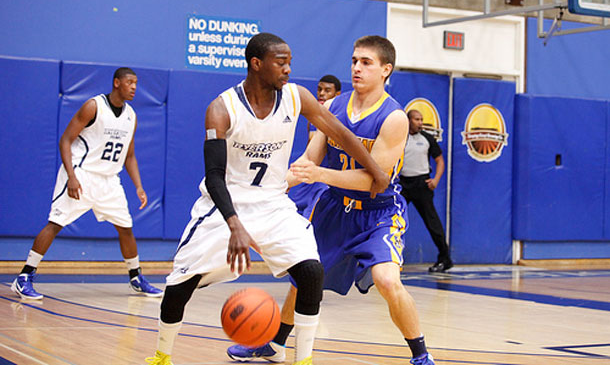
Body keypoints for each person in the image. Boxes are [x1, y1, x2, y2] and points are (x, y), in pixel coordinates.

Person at [145, 33, 389, 365]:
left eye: (290, 62)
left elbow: (339, 132)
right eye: (281, 62)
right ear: (256, 64)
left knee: (311, 273)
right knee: (180, 286)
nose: (288, 69)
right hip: (224, 206)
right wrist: (235, 226)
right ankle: (161, 355)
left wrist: (376, 171)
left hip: (274, 203)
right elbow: (215, 176)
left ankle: (302, 359)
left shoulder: (296, 97)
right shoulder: (222, 109)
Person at [227, 36, 435, 365]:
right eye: (354, 60)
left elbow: (373, 181)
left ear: (385, 70)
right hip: (336, 209)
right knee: (304, 276)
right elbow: (309, 159)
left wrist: (319, 175)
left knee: (386, 280)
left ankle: (421, 355)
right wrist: (272, 188)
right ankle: (276, 345)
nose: (356, 68)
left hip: (378, 212)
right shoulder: (333, 106)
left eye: (366, 62)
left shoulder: (393, 118)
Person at [11, 67, 162, 300]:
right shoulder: (93, 106)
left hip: (109, 180)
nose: (134, 87)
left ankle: (136, 278)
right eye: (130, 82)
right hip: (82, 174)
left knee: (126, 228)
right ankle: (24, 276)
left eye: (136, 83)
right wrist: (71, 175)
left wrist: (139, 186)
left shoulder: (132, 115)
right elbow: (65, 140)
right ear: (116, 83)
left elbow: (129, 155)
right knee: (56, 223)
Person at [399, 109, 453, 273]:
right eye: (417, 119)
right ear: (408, 120)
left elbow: (440, 161)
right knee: (392, 221)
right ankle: (387, 259)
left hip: (421, 184)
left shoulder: (427, 138)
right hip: (402, 184)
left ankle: (445, 258)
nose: (420, 122)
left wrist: (435, 179)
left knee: (432, 223)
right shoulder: (400, 136)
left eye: (421, 119)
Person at [291, 74, 341, 218]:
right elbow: (310, 154)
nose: (321, 93)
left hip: (327, 182)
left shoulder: (341, 119)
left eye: (327, 90)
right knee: (295, 217)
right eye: (319, 89)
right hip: (309, 180)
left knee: (311, 222)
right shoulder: (312, 120)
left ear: (337, 94)